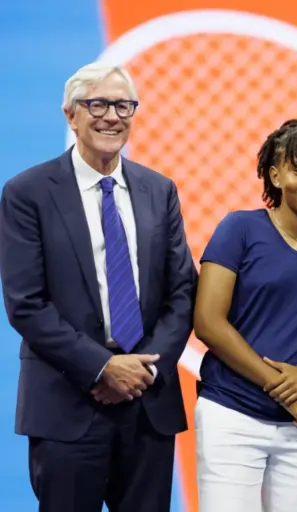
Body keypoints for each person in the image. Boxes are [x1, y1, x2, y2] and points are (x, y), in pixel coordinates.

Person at [0, 62, 196, 512]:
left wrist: (142, 371)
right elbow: (26, 304)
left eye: (123, 105)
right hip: (68, 403)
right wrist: (103, 367)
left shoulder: (159, 190)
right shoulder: (28, 192)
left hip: (148, 407)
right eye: (98, 104)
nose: (112, 116)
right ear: (71, 115)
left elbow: (182, 291)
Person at [192, 119, 297, 512]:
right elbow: (208, 322)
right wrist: (281, 387)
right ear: (275, 174)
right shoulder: (240, 228)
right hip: (230, 416)